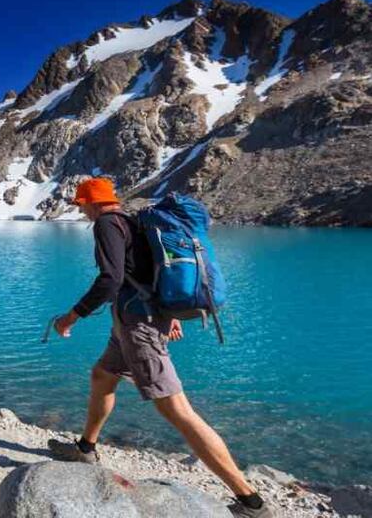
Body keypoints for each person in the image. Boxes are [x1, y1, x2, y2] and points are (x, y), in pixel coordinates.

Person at [47, 177, 272, 518]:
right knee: (103, 376)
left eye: (82, 206)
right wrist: (169, 315)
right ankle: (86, 448)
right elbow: (152, 271)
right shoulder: (134, 220)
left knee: (177, 410)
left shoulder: (107, 224)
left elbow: (110, 280)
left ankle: (250, 501)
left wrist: (71, 316)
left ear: (90, 203)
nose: (84, 213)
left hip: (138, 326)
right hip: (136, 320)